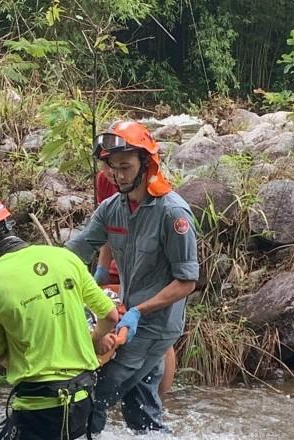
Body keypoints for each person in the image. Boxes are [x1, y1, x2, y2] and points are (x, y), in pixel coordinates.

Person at [0, 194, 119, 440]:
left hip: (37, 410)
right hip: (82, 402)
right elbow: (110, 315)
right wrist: (93, 340)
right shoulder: (64, 257)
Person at [66, 120, 199, 434]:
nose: (118, 176)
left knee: (95, 396)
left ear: (147, 164)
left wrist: (139, 311)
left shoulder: (173, 214)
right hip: (127, 314)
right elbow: (78, 247)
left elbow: (187, 281)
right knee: (142, 415)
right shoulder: (112, 208)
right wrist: (40, 267)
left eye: (125, 167)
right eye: (113, 168)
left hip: (155, 325)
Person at [93, 165, 177, 397]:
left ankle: (160, 395)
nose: (114, 173)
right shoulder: (104, 179)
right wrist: (102, 267)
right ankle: (125, 388)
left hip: (148, 265)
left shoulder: (150, 182)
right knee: (113, 324)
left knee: (157, 333)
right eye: (108, 166)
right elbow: (106, 226)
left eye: (120, 165)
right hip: (118, 264)